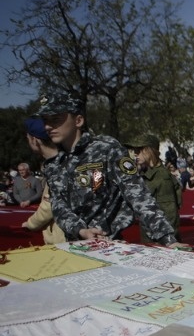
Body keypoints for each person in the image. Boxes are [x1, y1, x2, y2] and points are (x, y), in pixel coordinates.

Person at [33, 90, 185, 247]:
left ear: (78, 120)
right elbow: (58, 207)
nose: (48, 127)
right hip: (75, 246)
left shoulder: (107, 150)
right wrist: (81, 230)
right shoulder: (53, 164)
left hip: (110, 244)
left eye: (56, 119)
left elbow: (137, 194)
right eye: (45, 121)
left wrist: (167, 238)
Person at [124, 133, 182, 242]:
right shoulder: (147, 173)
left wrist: (168, 242)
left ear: (150, 151)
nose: (135, 154)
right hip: (151, 237)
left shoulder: (161, 177)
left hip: (161, 242)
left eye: (139, 150)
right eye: (134, 150)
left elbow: (170, 215)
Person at [21, 118, 66, 243]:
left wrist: (30, 224)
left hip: (63, 240)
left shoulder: (56, 166)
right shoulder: (65, 160)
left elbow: (49, 206)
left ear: (35, 140)